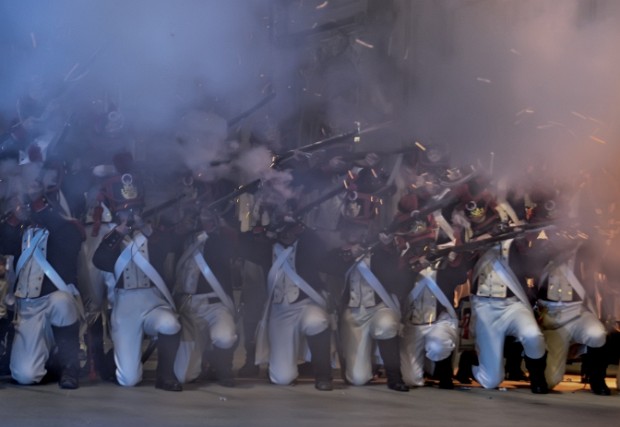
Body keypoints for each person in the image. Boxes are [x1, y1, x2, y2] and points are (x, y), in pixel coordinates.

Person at [92, 159, 182, 391]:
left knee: (170, 324)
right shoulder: (112, 239)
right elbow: (99, 260)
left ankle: (165, 376)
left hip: (153, 302)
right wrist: (119, 232)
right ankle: (114, 358)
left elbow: (169, 247)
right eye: (125, 212)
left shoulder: (154, 236)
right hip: (126, 307)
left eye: (134, 210)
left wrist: (148, 230)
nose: (130, 215)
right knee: (128, 380)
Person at [8, 177, 84, 389]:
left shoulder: (66, 229)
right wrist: (15, 214)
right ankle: (52, 362)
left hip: (52, 299)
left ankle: (71, 365)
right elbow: (4, 240)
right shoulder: (21, 229)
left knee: (63, 301)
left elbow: (71, 241)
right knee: (25, 375)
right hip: (27, 307)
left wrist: (40, 207)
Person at [173, 203, 238, 387]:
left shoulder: (219, 240)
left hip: (216, 305)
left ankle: (223, 367)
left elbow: (234, 248)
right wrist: (182, 227)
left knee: (225, 337)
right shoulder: (181, 239)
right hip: (189, 306)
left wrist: (219, 226)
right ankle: (203, 361)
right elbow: (166, 241)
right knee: (183, 376)